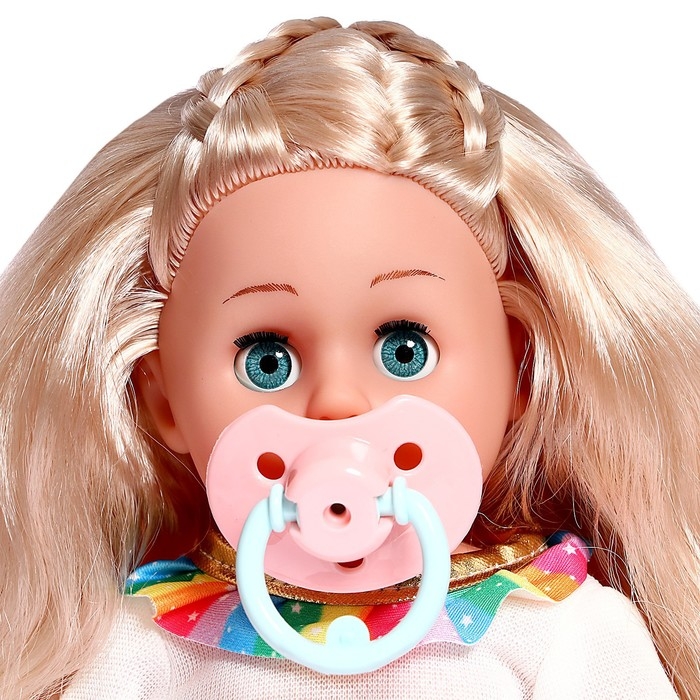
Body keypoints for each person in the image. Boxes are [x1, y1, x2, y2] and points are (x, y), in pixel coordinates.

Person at [0, 17, 697, 699]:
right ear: (163, 400)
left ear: (517, 370)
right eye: (266, 360)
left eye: (404, 350)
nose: (337, 402)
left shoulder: (557, 630)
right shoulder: (146, 642)